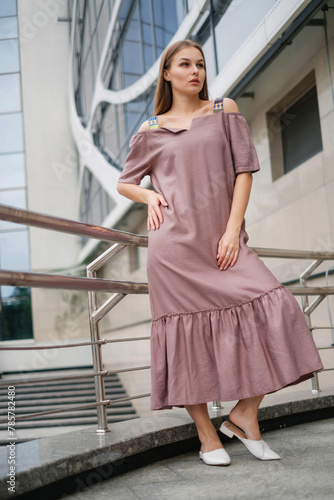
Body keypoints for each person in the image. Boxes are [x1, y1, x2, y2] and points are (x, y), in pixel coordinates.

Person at [117, 39, 324, 466]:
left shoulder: (223, 110)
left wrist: (232, 231)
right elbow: (125, 181)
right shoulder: (151, 129)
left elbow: (244, 170)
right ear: (167, 74)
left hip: (224, 243)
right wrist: (149, 196)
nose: (196, 71)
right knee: (185, 336)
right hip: (173, 250)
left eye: (201, 64)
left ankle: (244, 414)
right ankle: (207, 435)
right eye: (185, 65)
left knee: (278, 304)